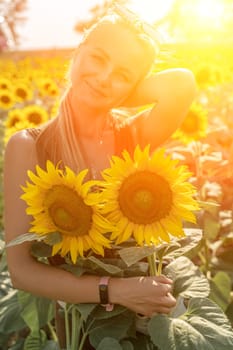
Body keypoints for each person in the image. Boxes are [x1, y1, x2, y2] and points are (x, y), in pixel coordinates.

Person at [3, 5, 196, 347]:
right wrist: (115, 291)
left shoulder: (133, 134)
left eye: (123, 73)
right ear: (76, 55)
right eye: (98, 58)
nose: (106, 76)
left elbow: (181, 83)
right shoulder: (31, 146)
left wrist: (108, 91)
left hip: (151, 315)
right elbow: (21, 270)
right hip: (87, 324)